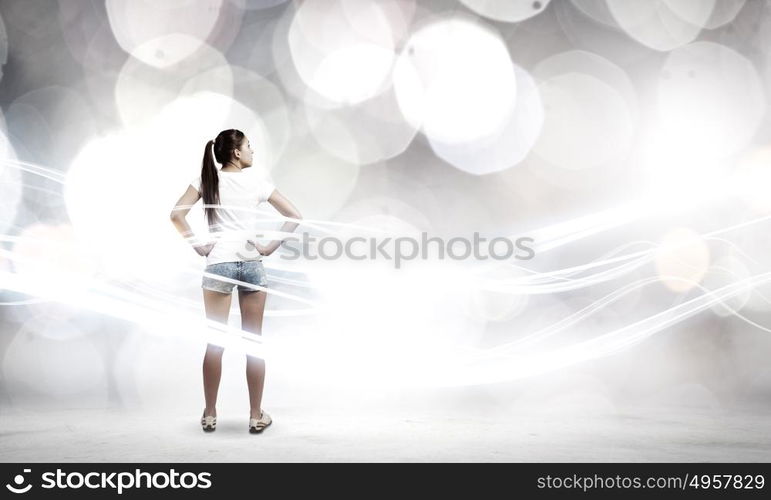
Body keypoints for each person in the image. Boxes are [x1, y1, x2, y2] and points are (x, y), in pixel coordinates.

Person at [169, 129, 302, 434]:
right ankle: (256, 415)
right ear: (236, 153)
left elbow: (176, 215)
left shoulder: (207, 180)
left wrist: (199, 246)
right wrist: (269, 247)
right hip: (252, 263)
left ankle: (210, 413)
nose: (253, 151)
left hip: (219, 264)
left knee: (215, 343)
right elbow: (294, 215)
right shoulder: (257, 183)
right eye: (249, 146)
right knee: (253, 343)